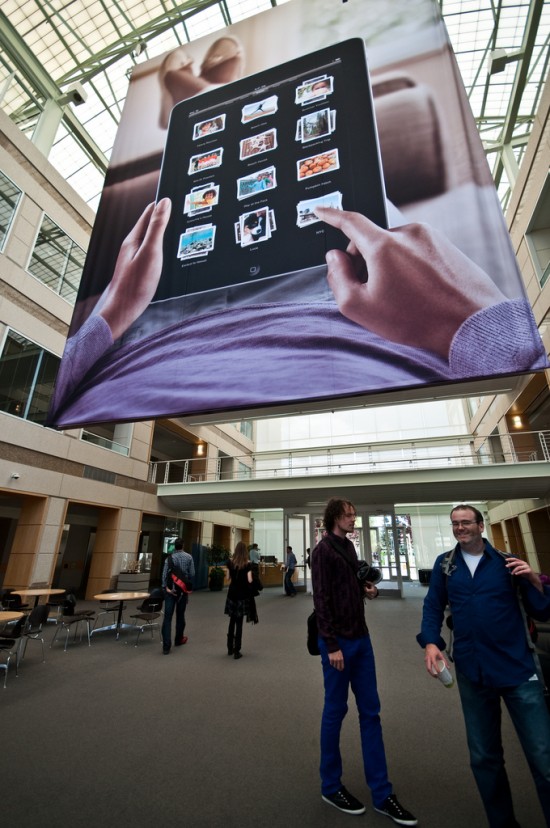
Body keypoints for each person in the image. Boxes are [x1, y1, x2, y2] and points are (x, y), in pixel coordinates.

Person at [47, 202, 547, 429]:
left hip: (146, 340)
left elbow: (59, 393)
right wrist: (473, 324)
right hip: (149, 343)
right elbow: (57, 401)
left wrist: (114, 310)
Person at [417, 504, 550, 827]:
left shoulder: (506, 563)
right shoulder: (446, 565)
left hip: (518, 672)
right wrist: (431, 642)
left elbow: (542, 611)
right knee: (484, 759)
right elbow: (433, 606)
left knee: (544, 758)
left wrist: (533, 580)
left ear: (480, 526)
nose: (460, 528)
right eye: (455, 524)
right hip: (473, 673)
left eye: (466, 523)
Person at [311, 497, 417, 823]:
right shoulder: (322, 551)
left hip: (361, 639)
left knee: (371, 713)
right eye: (348, 515)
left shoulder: (349, 547)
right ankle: (330, 786)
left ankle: (382, 794)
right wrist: (331, 646)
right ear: (334, 517)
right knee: (335, 711)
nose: (353, 519)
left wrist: (365, 590)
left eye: (354, 515)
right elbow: (322, 600)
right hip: (337, 643)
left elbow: (348, 587)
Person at [225, 541, 258, 659]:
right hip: (242, 595)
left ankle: (229, 647)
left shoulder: (230, 562)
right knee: (239, 622)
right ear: (245, 551)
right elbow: (249, 580)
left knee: (231, 620)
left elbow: (228, 578)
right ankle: (237, 650)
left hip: (232, 594)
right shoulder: (247, 564)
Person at [161, 538, 195, 655]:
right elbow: (192, 574)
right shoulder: (189, 557)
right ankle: (178, 639)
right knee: (180, 615)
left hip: (170, 591)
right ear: (183, 545)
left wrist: (166, 588)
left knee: (167, 618)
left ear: (174, 546)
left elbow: (164, 575)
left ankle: (166, 646)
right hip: (182, 591)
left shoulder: (169, 559)